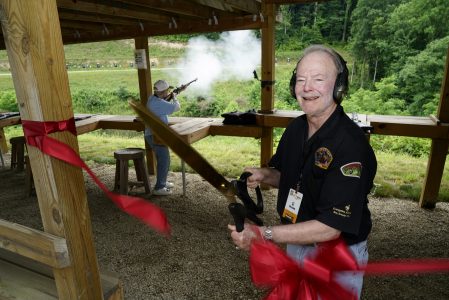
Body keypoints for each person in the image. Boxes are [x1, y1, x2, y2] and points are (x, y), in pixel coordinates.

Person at [228, 45, 377, 298]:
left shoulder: (351, 146)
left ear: (339, 86)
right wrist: (266, 175)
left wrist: (263, 234)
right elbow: (296, 178)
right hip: (297, 242)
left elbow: (331, 227)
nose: (307, 87)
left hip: (336, 255)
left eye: (319, 79)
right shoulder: (296, 129)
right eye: (301, 79)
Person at [144, 79, 180, 196]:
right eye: (167, 91)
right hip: (155, 135)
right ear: (163, 92)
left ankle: (162, 182)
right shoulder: (157, 103)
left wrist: (173, 94)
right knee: (164, 160)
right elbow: (176, 107)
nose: (168, 92)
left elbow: (163, 101)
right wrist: (174, 97)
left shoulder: (153, 99)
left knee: (164, 159)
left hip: (155, 134)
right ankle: (159, 187)